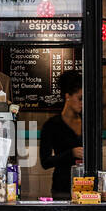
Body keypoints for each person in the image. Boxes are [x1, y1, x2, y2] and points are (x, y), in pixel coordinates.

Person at [40, 70, 83, 200]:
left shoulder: (88, 123)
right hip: (62, 188)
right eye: (80, 98)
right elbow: (45, 162)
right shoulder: (52, 125)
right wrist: (71, 153)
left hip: (86, 187)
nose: (83, 103)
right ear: (67, 96)